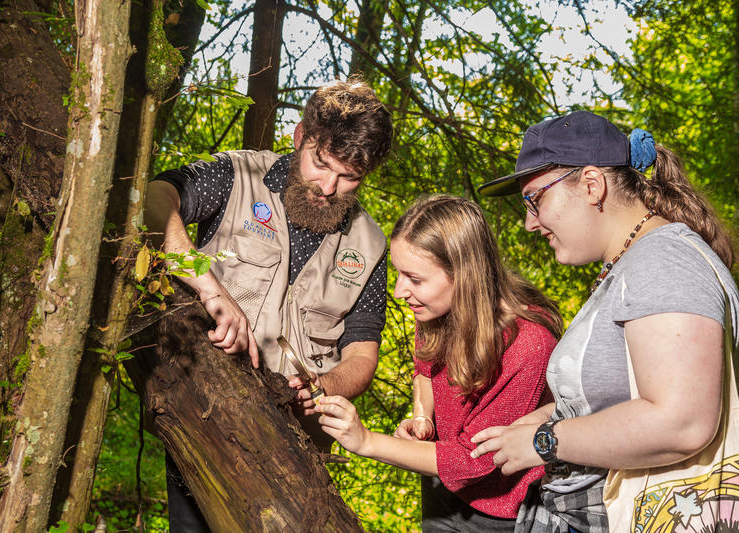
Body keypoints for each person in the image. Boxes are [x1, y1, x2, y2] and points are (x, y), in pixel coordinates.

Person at [144, 78, 393, 532]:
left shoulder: (371, 246)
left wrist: (323, 384)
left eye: (349, 177)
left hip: (296, 453)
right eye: (321, 163)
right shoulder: (238, 177)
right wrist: (208, 286)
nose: (329, 186)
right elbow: (155, 197)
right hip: (207, 416)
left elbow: (362, 355)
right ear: (301, 137)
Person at [472, 110, 739, 532]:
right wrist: (551, 415)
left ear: (592, 184)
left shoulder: (664, 259)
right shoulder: (636, 262)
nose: (529, 223)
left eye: (535, 200)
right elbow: (628, 397)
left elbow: (682, 421)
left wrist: (545, 442)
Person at [316, 195, 563, 531]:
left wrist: (366, 441)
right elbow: (424, 369)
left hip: (495, 509)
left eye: (414, 279)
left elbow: (474, 460)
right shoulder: (433, 308)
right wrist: (422, 415)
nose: (401, 290)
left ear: (463, 275)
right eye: (399, 273)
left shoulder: (529, 343)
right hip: (441, 481)